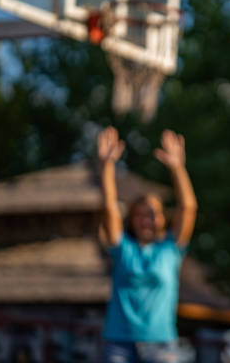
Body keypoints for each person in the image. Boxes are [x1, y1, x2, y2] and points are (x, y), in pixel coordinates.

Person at [97, 126, 197, 363]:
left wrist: (177, 168)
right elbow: (109, 207)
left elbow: (188, 208)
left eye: (154, 214)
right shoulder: (123, 249)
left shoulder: (170, 249)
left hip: (161, 344)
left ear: (163, 219)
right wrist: (107, 166)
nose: (148, 219)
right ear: (131, 219)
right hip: (118, 344)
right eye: (141, 214)